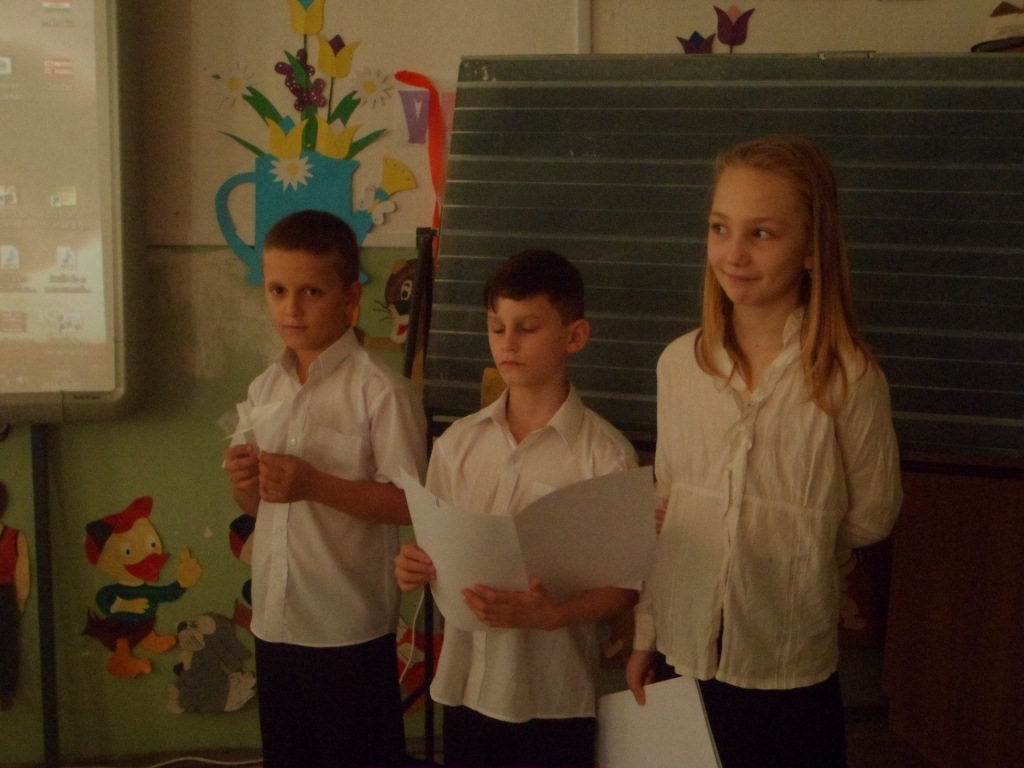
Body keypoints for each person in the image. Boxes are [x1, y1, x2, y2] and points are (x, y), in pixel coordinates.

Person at [625, 136, 903, 768]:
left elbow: (871, 515)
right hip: (684, 649)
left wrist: (796, 532)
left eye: (763, 234)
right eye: (720, 228)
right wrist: (645, 634)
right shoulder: (680, 365)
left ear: (811, 249)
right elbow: (664, 515)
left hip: (787, 661)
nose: (734, 254)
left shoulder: (848, 378)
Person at [394, 249, 640, 768]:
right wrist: (414, 565)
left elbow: (623, 587)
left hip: (552, 694)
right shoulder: (457, 444)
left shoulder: (606, 455)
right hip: (466, 682)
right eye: (496, 327)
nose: (507, 343)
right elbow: (435, 545)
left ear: (574, 336)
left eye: (527, 328)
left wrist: (556, 615)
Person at [222, 209, 428, 768]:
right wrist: (245, 485)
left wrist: (314, 484)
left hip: (346, 624)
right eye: (278, 290)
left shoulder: (381, 392)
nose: (291, 308)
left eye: (311, 291)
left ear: (350, 298)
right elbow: (259, 507)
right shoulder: (263, 388)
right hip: (274, 617)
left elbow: (409, 504)